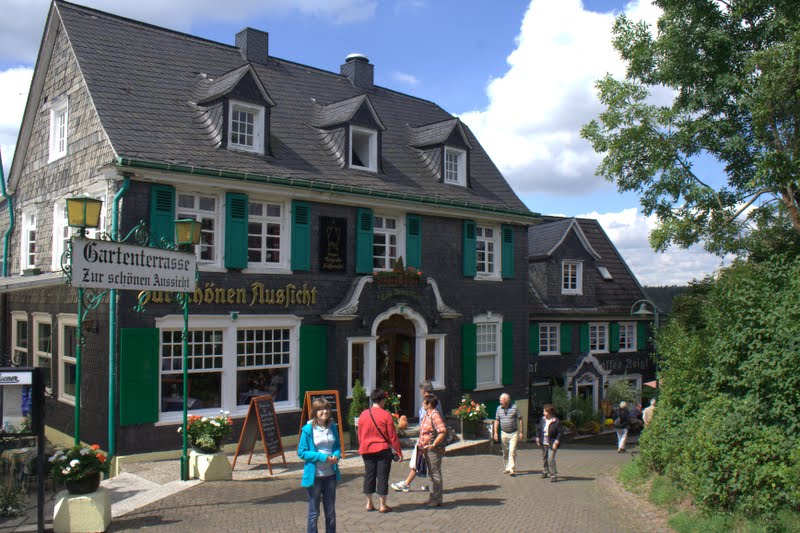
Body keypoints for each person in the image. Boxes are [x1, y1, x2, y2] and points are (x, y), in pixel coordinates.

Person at [298, 398, 341, 533]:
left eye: (327, 408)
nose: (325, 412)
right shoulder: (308, 429)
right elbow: (302, 452)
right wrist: (323, 457)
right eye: (321, 409)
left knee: (330, 511)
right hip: (315, 476)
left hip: (330, 476)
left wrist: (336, 455)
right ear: (315, 412)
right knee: (314, 512)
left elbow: (337, 447)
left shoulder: (333, 427)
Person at [391, 380, 443, 493]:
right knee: (428, 464)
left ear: (424, 391)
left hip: (426, 440)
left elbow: (429, 424)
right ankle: (431, 486)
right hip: (427, 440)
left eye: (421, 390)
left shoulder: (429, 404)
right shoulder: (436, 401)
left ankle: (406, 484)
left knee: (416, 462)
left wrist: (431, 442)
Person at [358, 388, 402, 513]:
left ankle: (369, 503)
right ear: (382, 400)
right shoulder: (386, 415)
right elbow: (392, 436)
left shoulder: (363, 414)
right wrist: (398, 451)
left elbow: (360, 434)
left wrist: (362, 445)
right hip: (383, 449)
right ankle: (383, 505)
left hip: (367, 449)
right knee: (382, 477)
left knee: (369, 475)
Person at [417, 394, 447, 507]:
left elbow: (442, 431)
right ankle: (432, 497)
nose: (422, 404)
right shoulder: (427, 415)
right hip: (425, 449)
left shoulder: (435, 415)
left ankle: (437, 499)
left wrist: (434, 444)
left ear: (429, 404)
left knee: (435, 473)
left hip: (433, 450)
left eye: (424, 402)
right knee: (431, 474)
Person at [492, 393, 523, 475]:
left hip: (513, 433)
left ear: (507, 400)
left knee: (512, 451)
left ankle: (512, 468)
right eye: (500, 400)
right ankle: (507, 467)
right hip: (503, 433)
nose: (500, 402)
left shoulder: (514, 408)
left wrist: (521, 432)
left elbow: (520, 419)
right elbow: (497, 421)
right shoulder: (499, 408)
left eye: (501, 400)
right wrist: (495, 433)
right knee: (505, 452)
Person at [535, 404, 562, 482]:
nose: (543, 412)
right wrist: (537, 437)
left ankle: (553, 475)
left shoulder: (556, 421)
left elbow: (560, 433)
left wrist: (556, 442)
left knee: (550, 458)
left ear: (549, 412)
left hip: (552, 442)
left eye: (545, 411)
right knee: (544, 457)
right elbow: (539, 429)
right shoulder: (543, 419)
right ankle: (545, 470)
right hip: (544, 441)